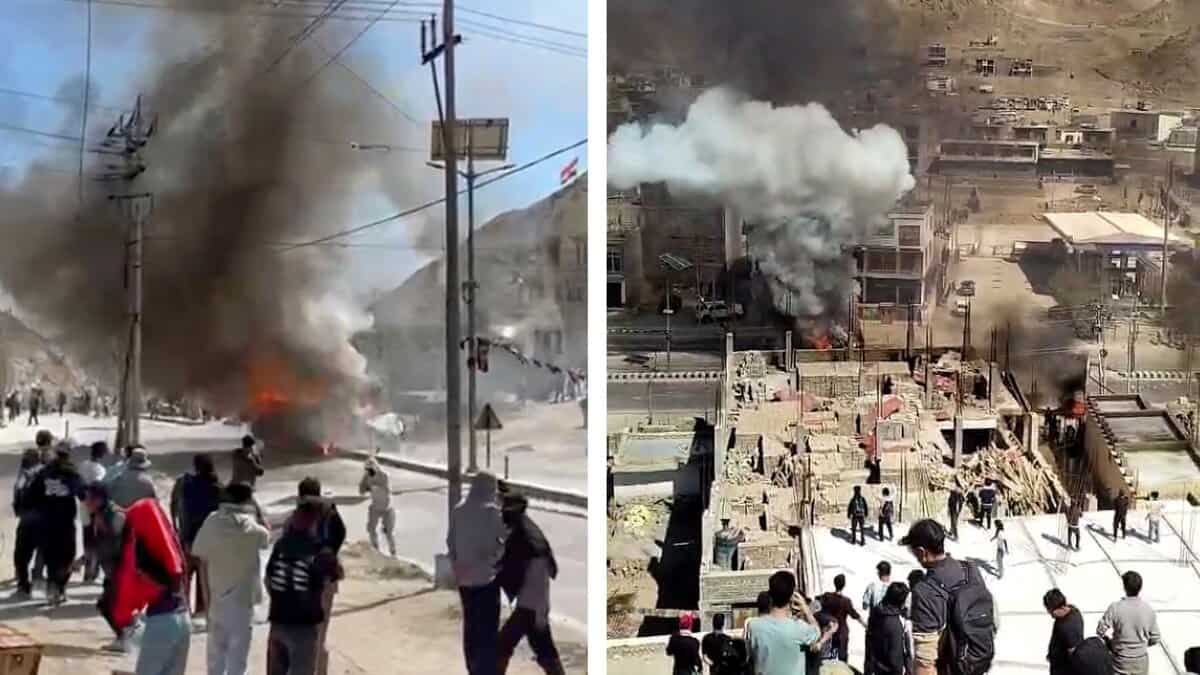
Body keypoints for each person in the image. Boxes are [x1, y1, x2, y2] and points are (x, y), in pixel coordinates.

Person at [192, 482, 270, 675]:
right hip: (242, 602)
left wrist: (206, 599)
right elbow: (266, 536)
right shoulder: (252, 528)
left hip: (217, 599)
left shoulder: (212, 521)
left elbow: (200, 557)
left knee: (215, 659)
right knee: (237, 661)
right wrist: (257, 511)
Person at [901, 519, 996, 675]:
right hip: (978, 663)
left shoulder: (925, 591)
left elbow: (925, 662)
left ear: (922, 552)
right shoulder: (970, 569)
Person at [107, 497, 190, 675]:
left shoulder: (142, 555)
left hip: (162, 622)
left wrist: (122, 617)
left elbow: (128, 592)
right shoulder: (171, 553)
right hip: (184, 618)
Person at [264, 499, 340, 675]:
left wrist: (282, 598)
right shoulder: (320, 551)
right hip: (304, 628)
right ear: (315, 522)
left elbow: (268, 580)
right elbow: (333, 581)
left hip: (278, 623)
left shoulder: (281, 545)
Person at [495, 492, 565, 675]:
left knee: (503, 645)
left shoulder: (522, 533)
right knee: (542, 646)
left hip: (531, 602)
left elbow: (506, 563)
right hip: (535, 601)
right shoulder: (527, 528)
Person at [448, 471, 506, 675]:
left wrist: (457, 566)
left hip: (464, 580)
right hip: (486, 579)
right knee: (488, 630)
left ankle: (472, 667)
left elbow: (450, 543)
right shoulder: (492, 512)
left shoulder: (458, 510)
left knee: (471, 626)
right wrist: (494, 560)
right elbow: (505, 541)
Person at [295, 478, 344, 675]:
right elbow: (341, 534)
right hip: (327, 577)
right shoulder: (330, 510)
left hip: (305, 581)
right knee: (321, 635)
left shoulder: (299, 514)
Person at [746, 570, 836, 675]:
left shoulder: (754, 626)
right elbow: (817, 631)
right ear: (791, 596)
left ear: (770, 594)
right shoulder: (800, 628)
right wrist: (806, 609)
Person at [27, 443, 84, 606]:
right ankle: (61, 588)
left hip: (47, 521)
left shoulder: (44, 473)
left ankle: (52, 589)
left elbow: (32, 494)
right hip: (65, 522)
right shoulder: (72, 472)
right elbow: (82, 492)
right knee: (67, 555)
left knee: (51, 556)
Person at [171, 453, 222, 620]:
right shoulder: (218, 487)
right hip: (209, 539)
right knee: (204, 576)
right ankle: (201, 610)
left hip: (188, 537)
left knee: (185, 575)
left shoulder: (185, 483)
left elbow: (174, 505)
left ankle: (183, 609)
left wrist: (176, 526)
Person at [83, 483, 131, 652]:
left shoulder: (116, 515)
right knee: (108, 605)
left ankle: (126, 638)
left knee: (108, 605)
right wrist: (83, 561)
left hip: (121, 570)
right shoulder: (99, 515)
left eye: (89, 498)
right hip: (111, 570)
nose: (86, 502)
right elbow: (98, 544)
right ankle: (125, 637)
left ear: (99, 499)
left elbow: (121, 542)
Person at [1097, 571, 1160, 675]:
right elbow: (1155, 638)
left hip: (1120, 660)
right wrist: (1141, 646)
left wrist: (1109, 642)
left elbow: (1100, 630)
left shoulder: (1115, 608)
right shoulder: (1148, 609)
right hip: (1141, 661)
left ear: (1124, 587)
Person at [11, 447, 44, 600]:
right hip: (43, 519)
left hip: (28, 520)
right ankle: (37, 582)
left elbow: (17, 490)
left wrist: (18, 509)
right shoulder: (45, 471)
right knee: (41, 552)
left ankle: (23, 585)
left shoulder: (25, 473)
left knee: (21, 555)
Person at [816, 574, 866, 662]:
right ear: (844, 585)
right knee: (842, 657)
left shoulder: (827, 596)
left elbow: (817, 599)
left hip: (830, 631)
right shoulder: (846, 601)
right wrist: (865, 625)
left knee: (829, 656)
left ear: (834, 583)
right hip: (842, 633)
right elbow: (855, 615)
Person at [865, 582, 911, 675]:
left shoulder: (876, 613)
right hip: (891, 670)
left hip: (877, 666)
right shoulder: (895, 622)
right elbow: (895, 656)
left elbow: (869, 640)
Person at [358, 458, 397, 557]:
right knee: (371, 528)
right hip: (375, 506)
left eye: (371, 470)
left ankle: (393, 552)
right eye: (367, 470)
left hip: (387, 507)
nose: (369, 472)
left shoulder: (384, 475)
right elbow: (361, 491)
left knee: (389, 532)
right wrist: (364, 486)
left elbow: (385, 489)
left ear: (375, 468)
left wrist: (371, 487)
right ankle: (375, 549)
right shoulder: (366, 476)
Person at [1043, 588, 1084, 675]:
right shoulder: (1073, 610)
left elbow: (1074, 653)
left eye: (1051, 610)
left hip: (1063, 668)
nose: (1050, 613)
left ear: (1061, 607)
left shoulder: (1068, 628)